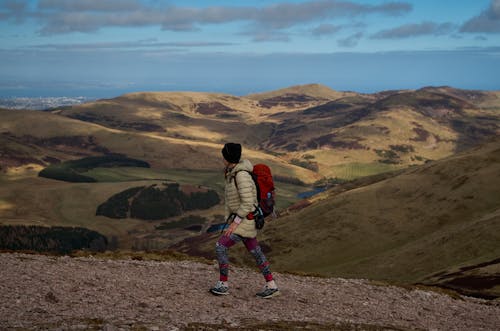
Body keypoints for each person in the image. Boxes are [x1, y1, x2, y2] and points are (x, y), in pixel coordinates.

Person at [209, 142, 280, 299]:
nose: (222, 158)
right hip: (245, 219)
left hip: (245, 220)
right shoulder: (233, 173)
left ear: (227, 157)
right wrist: (232, 218)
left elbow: (247, 202)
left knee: (220, 246)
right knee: (256, 252)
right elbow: (236, 200)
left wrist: (236, 222)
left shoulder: (241, 175)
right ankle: (271, 285)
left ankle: (223, 284)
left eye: (223, 155)